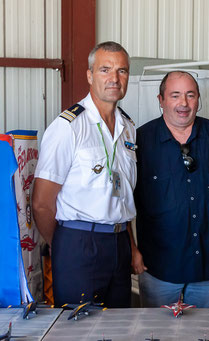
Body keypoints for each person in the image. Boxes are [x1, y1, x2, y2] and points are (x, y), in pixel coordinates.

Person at [32, 41, 136, 308]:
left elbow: (124, 197)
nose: (114, 78)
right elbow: (42, 203)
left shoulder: (128, 128)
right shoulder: (68, 127)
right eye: (105, 70)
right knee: (79, 331)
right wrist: (64, 245)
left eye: (122, 71)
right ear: (89, 75)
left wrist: (131, 246)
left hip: (119, 241)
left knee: (119, 328)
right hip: (79, 242)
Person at [132, 71, 209, 308]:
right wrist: (131, 248)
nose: (183, 104)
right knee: (158, 335)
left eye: (190, 95)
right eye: (175, 96)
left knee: (206, 333)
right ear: (161, 100)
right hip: (158, 267)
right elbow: (121, 200)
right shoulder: (139, 141)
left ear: (198, 99)